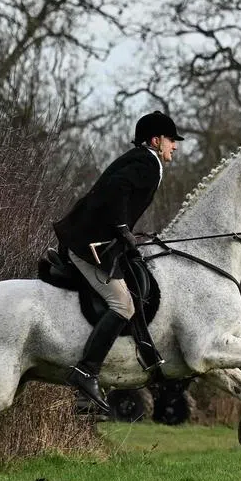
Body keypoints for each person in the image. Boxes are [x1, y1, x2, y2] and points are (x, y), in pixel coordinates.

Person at [53, 111, 184, 412]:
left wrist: (128, 231)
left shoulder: (141, 160)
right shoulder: (147, 163)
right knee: (123, 305)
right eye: (171, 140)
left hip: (92, 241)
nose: (174, 146)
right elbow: (116, 192)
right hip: (88, 248)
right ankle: (86, 371)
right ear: (155, 140)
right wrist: (122, 229)